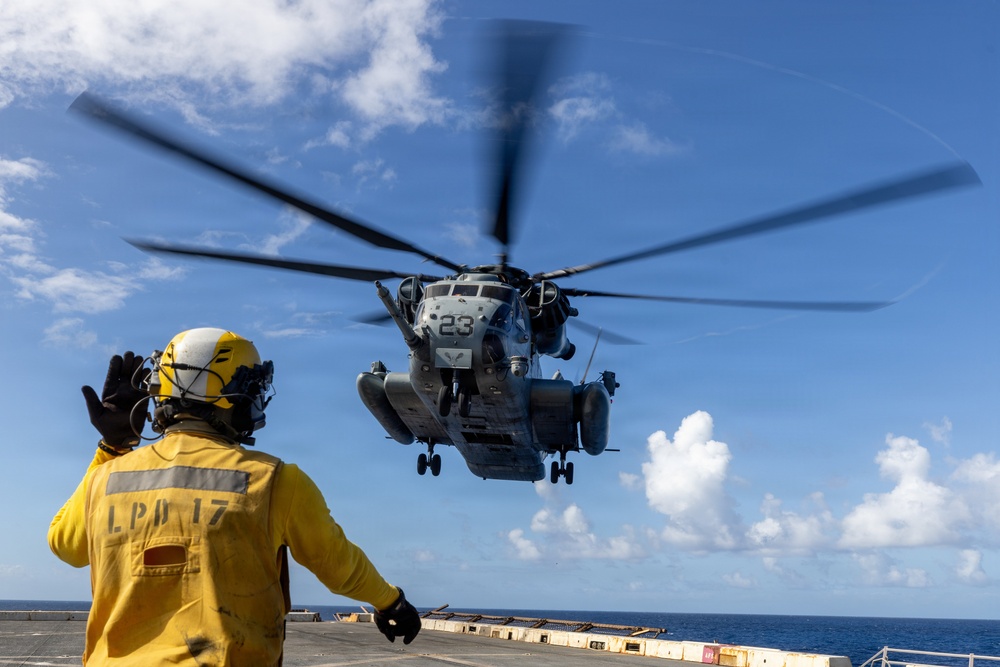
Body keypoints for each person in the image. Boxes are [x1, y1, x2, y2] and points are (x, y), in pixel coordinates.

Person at [49, 327, 420, 666]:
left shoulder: (105, 479)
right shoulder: (274, 480)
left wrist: (112, 448)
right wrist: (391, 602)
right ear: (236, 395)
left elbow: (66, 545)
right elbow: (339, 566)